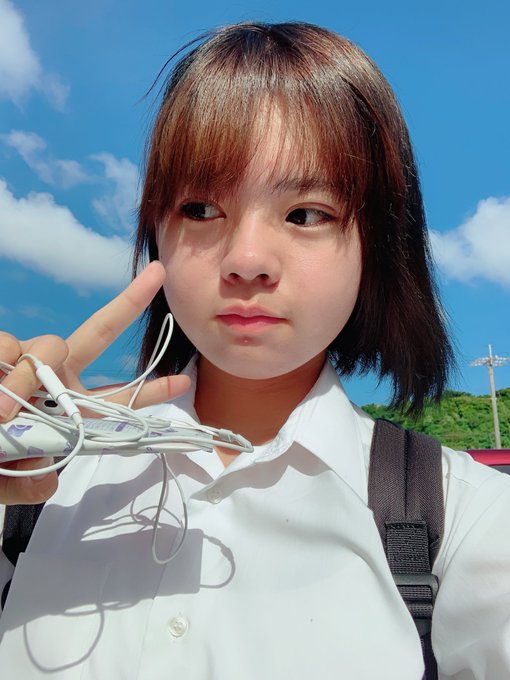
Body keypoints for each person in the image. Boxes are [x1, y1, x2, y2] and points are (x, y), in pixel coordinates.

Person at [0, 21, 509, 680]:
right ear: (156, 232)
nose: (245, 259)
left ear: (376, 245)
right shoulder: (34, 482)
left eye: (305, 214)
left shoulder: (464, 518)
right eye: (201, 209)